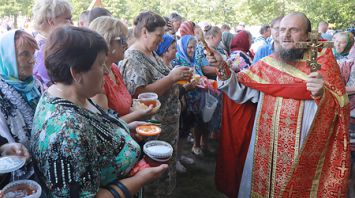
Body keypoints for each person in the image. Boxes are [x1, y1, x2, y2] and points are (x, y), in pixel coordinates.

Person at [207, 12, 349, 197]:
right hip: (262, 147)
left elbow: (340, 110)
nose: (286, 35)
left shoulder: (323, 66)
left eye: (293, 30)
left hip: (302, 147)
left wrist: (322, 95)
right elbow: (241, 90)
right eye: (282, 29)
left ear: (307, 35)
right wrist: (221, 67)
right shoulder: (268, 65)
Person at [30, 26, 167, 197]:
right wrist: (139, 180)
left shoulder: (70, 94)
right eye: (101, 64)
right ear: (77, 73)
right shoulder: (67, 130)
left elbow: (92, 132)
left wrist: (124, 127)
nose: (107, 70)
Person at [119, 11, 191, 197]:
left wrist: (177, 79)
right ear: (144, 32)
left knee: (163, 173)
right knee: (152, 178)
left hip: (165, 126)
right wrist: (171, 77)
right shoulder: (134, 58)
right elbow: (140, 94)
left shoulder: (150, 53)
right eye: (159, 35)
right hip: (151, 129)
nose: (162, 39)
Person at [89, 16, 154, 123]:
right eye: (122, 40)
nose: (126, 45)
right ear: (106, 41)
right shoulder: (97, 79)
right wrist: (138, 114)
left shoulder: (113, 68)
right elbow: (106, 125)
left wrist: (135, 110)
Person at [156, 34, 196, 173]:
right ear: (165, 50)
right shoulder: (160, 67)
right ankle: (172, 162)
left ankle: (178, 157)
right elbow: (166, 91)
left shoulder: (171, 65)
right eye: (173, 48)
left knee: (182, 133)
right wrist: (185, 89)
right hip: (166, 113)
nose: (176, 51)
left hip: (177, 108)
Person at [0, 30, 42, 146]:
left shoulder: (36, 84)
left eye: (33, 53)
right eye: (25, 54)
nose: (32, 61)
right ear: (8, 58)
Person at [32, 0, 73, 87]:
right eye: (68, 19)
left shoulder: (53, 44)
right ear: (51, 21)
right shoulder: (42, 50)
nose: (72, 23)